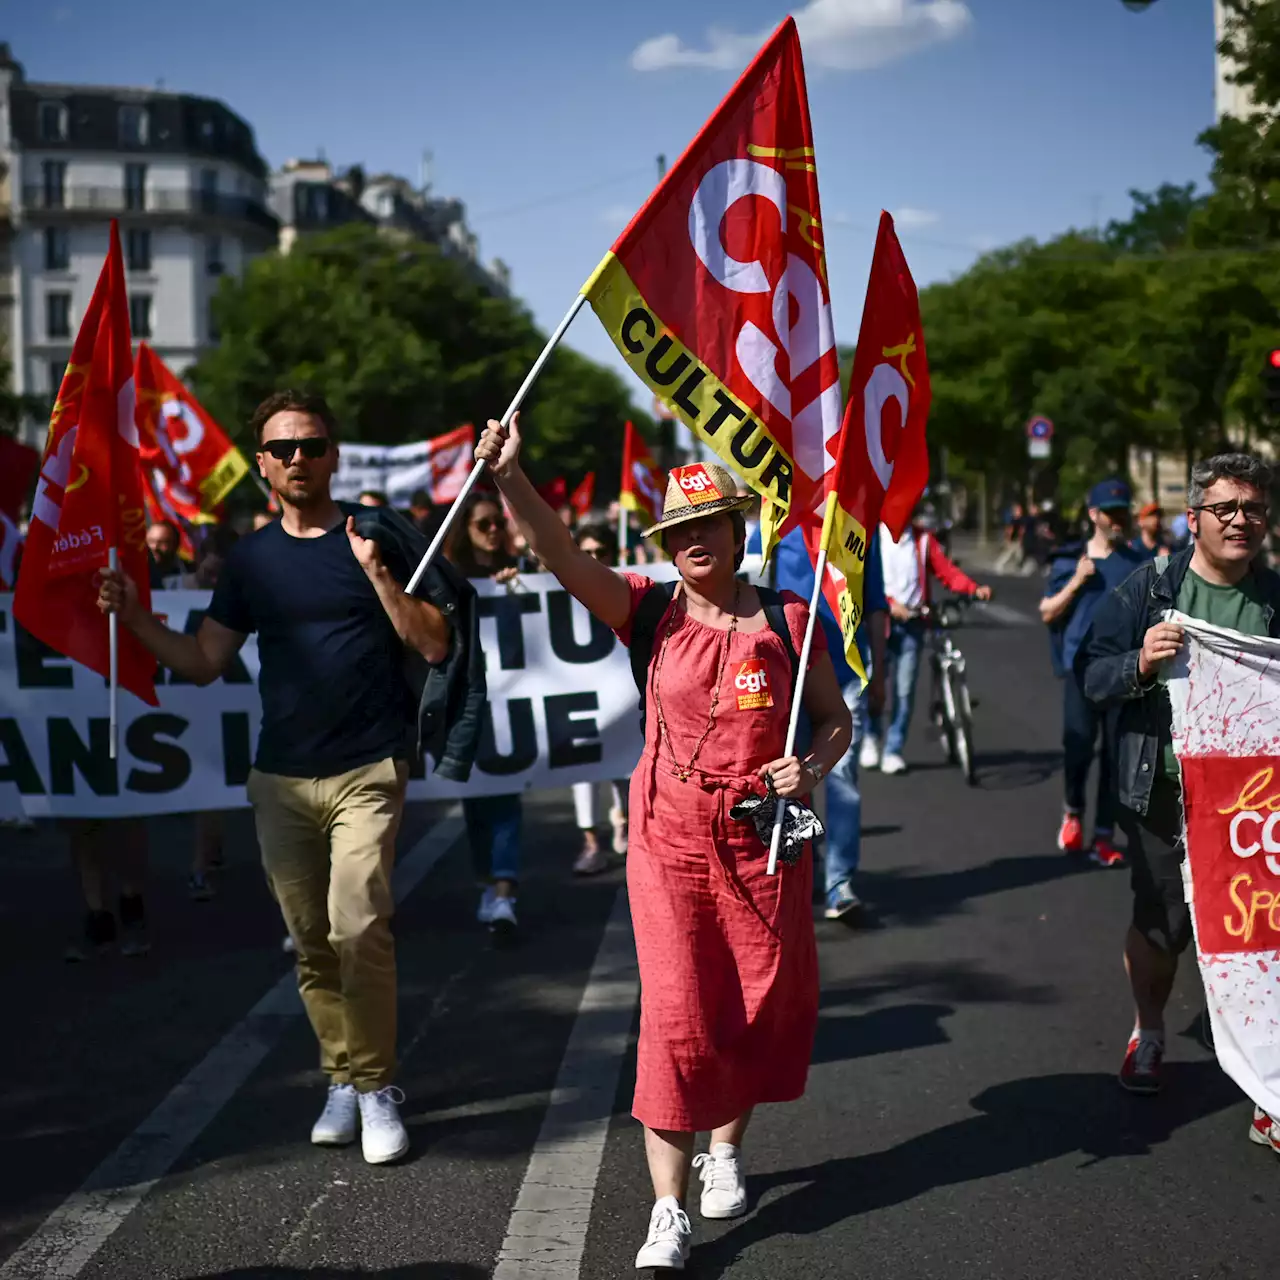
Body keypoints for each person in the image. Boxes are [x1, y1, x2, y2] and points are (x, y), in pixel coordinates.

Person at [476, 416, 852, 1271]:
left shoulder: (792, 618)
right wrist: (511, 479)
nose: (692, 542)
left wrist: (811, 767)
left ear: (736, 529)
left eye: (706, 526)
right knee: (678, 1014)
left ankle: (728, 1148)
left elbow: (836, 722)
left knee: (750, 1005)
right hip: (668, 838)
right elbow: (564, 558)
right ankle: (667, 1210)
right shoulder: (647, 610)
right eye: (678, 532)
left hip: (763, 845)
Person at [97, 388, 454, 1166]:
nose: (299, 459)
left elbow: (432, 645)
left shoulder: (377, 536)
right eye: (284, 448)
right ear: (262, 464)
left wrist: (381, 577)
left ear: (334, 455)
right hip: (281, 780)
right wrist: (133, 618)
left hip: (369, 766)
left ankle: (377, 1088)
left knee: (360, 927)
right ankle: (342, 1075)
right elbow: (203, 661)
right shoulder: (251, 560)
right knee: (310, 942)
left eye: (313, 446)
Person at [1083, 453, 1280, 1107]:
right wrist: (1139, 661)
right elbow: (1092, 676)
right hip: (1166, 794)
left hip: (1256, 804)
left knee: (1262, 933)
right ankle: (1149, 1029)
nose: (1240, 521)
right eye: (1225, 508)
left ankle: (1266, 1082)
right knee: (1163, 924)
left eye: (1252, 508)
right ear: (1192, 519)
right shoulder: (1150, 590)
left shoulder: (1276, 599)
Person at [774, 525, 887, 921]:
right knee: (791, 782)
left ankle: (840, 883)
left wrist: (880, 674)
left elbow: (874, 604)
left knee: (841, 782)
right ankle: (799, 873)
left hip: (846, 676)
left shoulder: (858, 530)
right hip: (787, 680)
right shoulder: (775, 527)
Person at [1040, 479, 1151, 867]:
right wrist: (1077, 581)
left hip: (1124, 670)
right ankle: (1073, 811)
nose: (1118, 519)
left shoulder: (1138, 563)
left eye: (1123, 512)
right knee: (1079, 746)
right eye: (1111, 513)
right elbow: (1047, 612)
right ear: (1093, 515)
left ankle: (1104, 835)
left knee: (1116, 758)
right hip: (1082, 669)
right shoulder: (1070, 560)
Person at [863, 503, 992, 776]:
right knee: (875, 685)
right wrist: (887, 603)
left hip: (913, 625)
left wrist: (973, 588)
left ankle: (893, 749)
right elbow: (862, 580)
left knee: (904, 691)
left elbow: (946, 571)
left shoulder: (922, 540)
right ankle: (872, 737)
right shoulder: (872, 537)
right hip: (880, 624)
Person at [445, 490, 523, 933]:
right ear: (465, 531)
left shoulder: (519, 576)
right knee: (476, 801)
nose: (494, 531)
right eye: (483, 525)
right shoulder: (449, 581)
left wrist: (519, 591)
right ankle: (487, 881)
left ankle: (504, 891)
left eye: (499, 522)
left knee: (507, 796)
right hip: (467, 708)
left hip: (511, 708)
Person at [570, 522, 628, 874]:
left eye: (600, 553)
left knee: (624, 762)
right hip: (578, 695)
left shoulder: (627, 587)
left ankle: (622, 822)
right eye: (585, 553)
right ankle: (591, 842)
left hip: (618, 692)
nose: (593, 560)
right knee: (582, 768)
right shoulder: (562, 587)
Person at [146, 519, 184, 588]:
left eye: (162, 542)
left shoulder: (188, 572)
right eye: (151, 541)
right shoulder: (137, 576)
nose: (154, 547)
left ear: (175, 545)